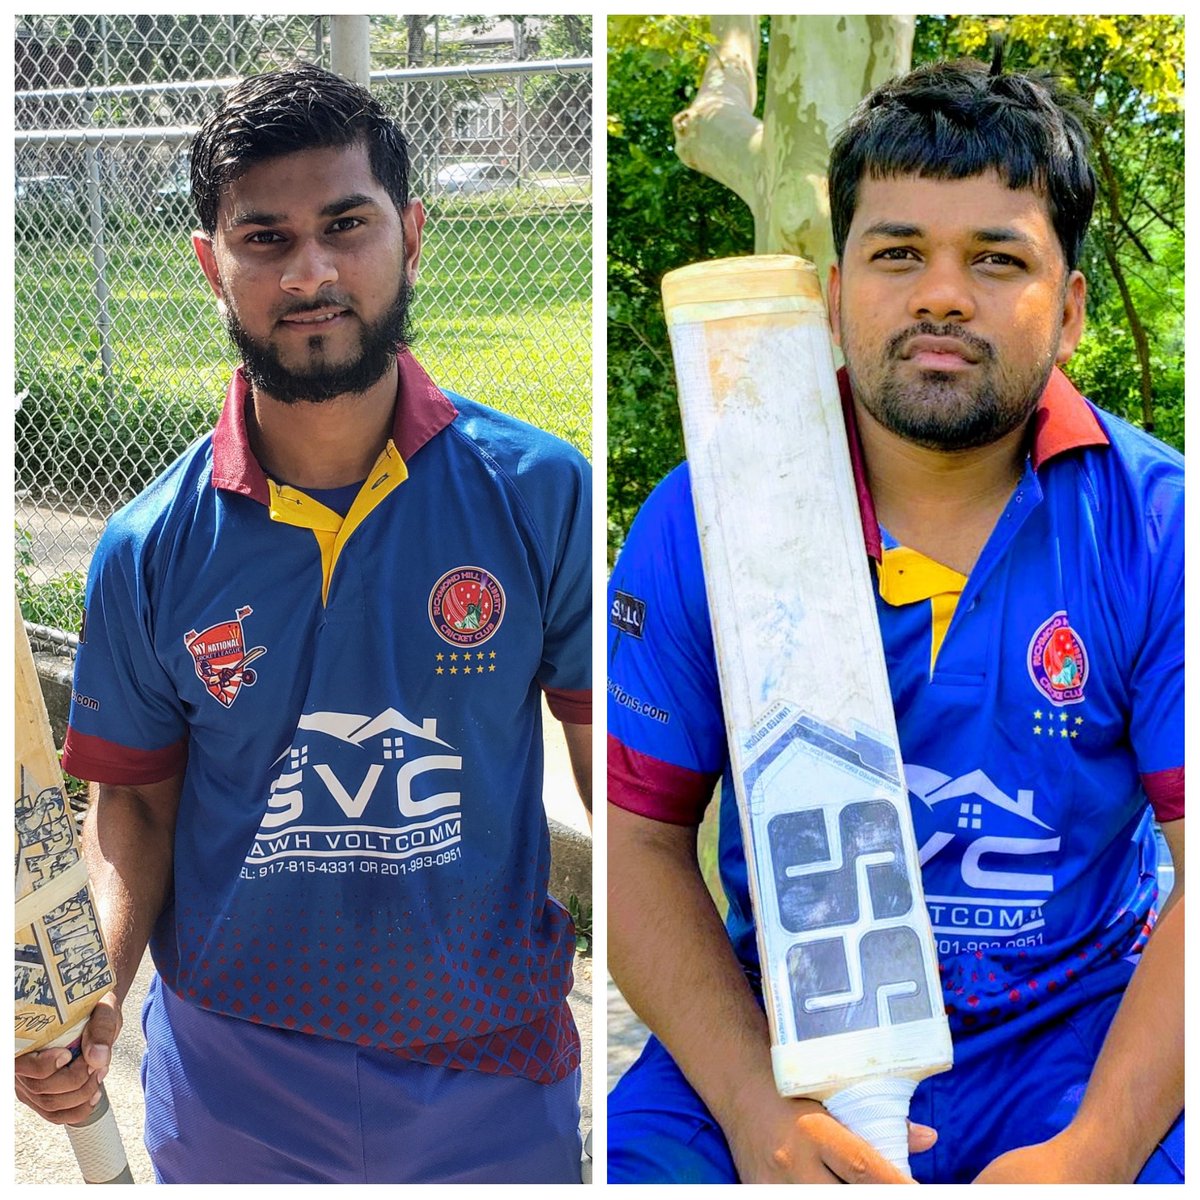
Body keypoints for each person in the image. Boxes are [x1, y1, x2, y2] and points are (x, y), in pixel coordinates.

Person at [606, 59, 1182, 1185]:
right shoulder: (707, 513)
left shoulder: (1159, 527)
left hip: (1082, 1037)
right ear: (833, 296)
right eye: (899, 253)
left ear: (1069, 310)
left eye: (997, 259)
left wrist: (1096, 1149)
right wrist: (754, 1108)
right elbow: (636, 843)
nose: (942, 295)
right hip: (784, 1039)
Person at [15, 62, 592, 1185]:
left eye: (345, 225)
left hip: (489, 1069)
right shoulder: (149, 544)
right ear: (211, 266)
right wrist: (93, 991)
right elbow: (136, 804)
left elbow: (609, 775)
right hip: (235, 1081)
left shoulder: (538, 491)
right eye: (265, 238)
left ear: (410, 237)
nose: (311, 271)